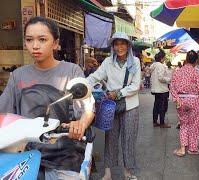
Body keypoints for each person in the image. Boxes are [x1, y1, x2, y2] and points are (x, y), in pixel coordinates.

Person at [0, 16, 95, 179]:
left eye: (42, 39)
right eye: (29, 40)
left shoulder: (71, 71)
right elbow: (4, 114)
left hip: (64, 155)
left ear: (55, 43)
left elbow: (87, 108)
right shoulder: (18, 76)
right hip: (24, 153)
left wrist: (80, 124)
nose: (35, 46)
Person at [86, 32, 141, 180]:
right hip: (110, 106)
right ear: (113, 46)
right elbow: (95, 77)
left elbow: (136, 86)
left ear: (128, 46)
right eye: (117, 44)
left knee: (128, 139)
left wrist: (118, 93)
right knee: (110, 139)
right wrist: (83, 84)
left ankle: (128, 171)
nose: (120, 47)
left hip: (130, 105)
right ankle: (108, 173)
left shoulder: (135, 61)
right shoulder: (107, 62)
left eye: (123, 43)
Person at [170, 50, 199, 156]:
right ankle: (193, 149)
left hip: (181, 101)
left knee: (183, 124)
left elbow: (172, 87)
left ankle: (182, 149)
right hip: (194, 101)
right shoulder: (196, 72)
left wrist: (177, 99)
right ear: (196, 61)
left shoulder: (177, 72)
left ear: (186, 60)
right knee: (195, 125)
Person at [150, 49, 171, 128]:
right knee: (162, 106)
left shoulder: (153, 65)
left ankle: (155, 121)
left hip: (155, 89)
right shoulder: (161, 66)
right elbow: (161, 78)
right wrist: (168, 79)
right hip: (161, 89)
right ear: (162, 58)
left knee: (156, 105)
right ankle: (162, 123)